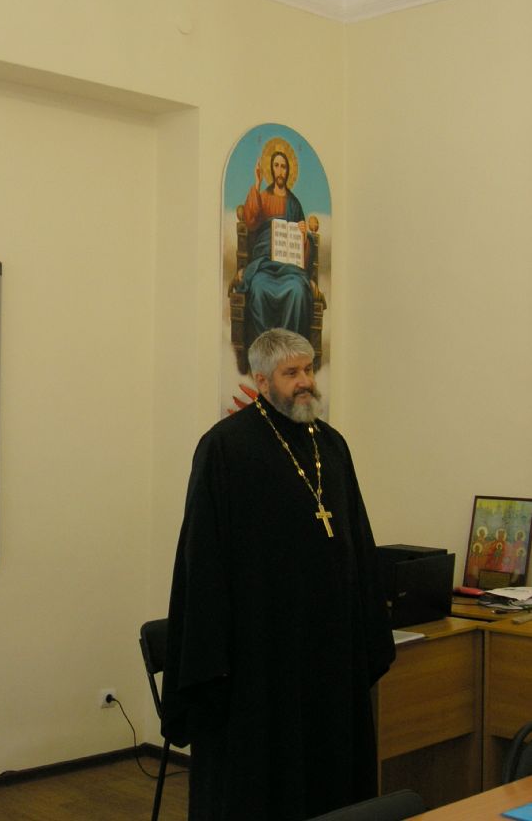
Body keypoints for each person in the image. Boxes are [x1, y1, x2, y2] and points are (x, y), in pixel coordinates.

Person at [161, 328, 395, 821]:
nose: (305, 381)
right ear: (262, 380)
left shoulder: (331, 445)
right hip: (261, 657)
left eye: (308, 369)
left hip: (330, 651)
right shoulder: (224, 448)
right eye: (292, 373)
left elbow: (357, 536)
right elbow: (203, 558)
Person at [235, 149, 314, 349]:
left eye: (284, 167)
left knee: (298, 291)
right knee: (258, 288)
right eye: (277, 166)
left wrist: (304, 236)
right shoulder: (263, 196)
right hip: (264, 264)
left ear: (288, 171)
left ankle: (289, 351)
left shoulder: (294, 205)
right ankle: (266, 352)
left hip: (290, 269)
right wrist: (257, 183)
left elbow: (304, 253)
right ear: (272, 169)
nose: (280, 171)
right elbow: (250, 220)